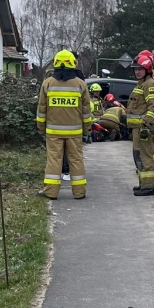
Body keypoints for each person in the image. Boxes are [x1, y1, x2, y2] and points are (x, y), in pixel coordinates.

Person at [36, 50, 93, 200]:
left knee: (54, 160)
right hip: (75, 132)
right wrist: (87, 129)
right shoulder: (80, 84)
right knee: (76, 160)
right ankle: (79, 192)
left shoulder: (47, 83)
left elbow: (42, 110)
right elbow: (86, 111)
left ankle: (51, 192)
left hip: (53, 132)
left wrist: (41, 127)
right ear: (72, 64)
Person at [125, 49, 154, 196]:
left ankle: (149, 187)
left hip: (143, 128)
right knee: (138, 155)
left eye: (140, 69)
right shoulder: (141, 84)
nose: (137, 72)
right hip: (138, 127)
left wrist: (146, 125)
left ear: (147, 69)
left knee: (144, 156)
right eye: (135, 70)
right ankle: (143, 184)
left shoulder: (149, 84)